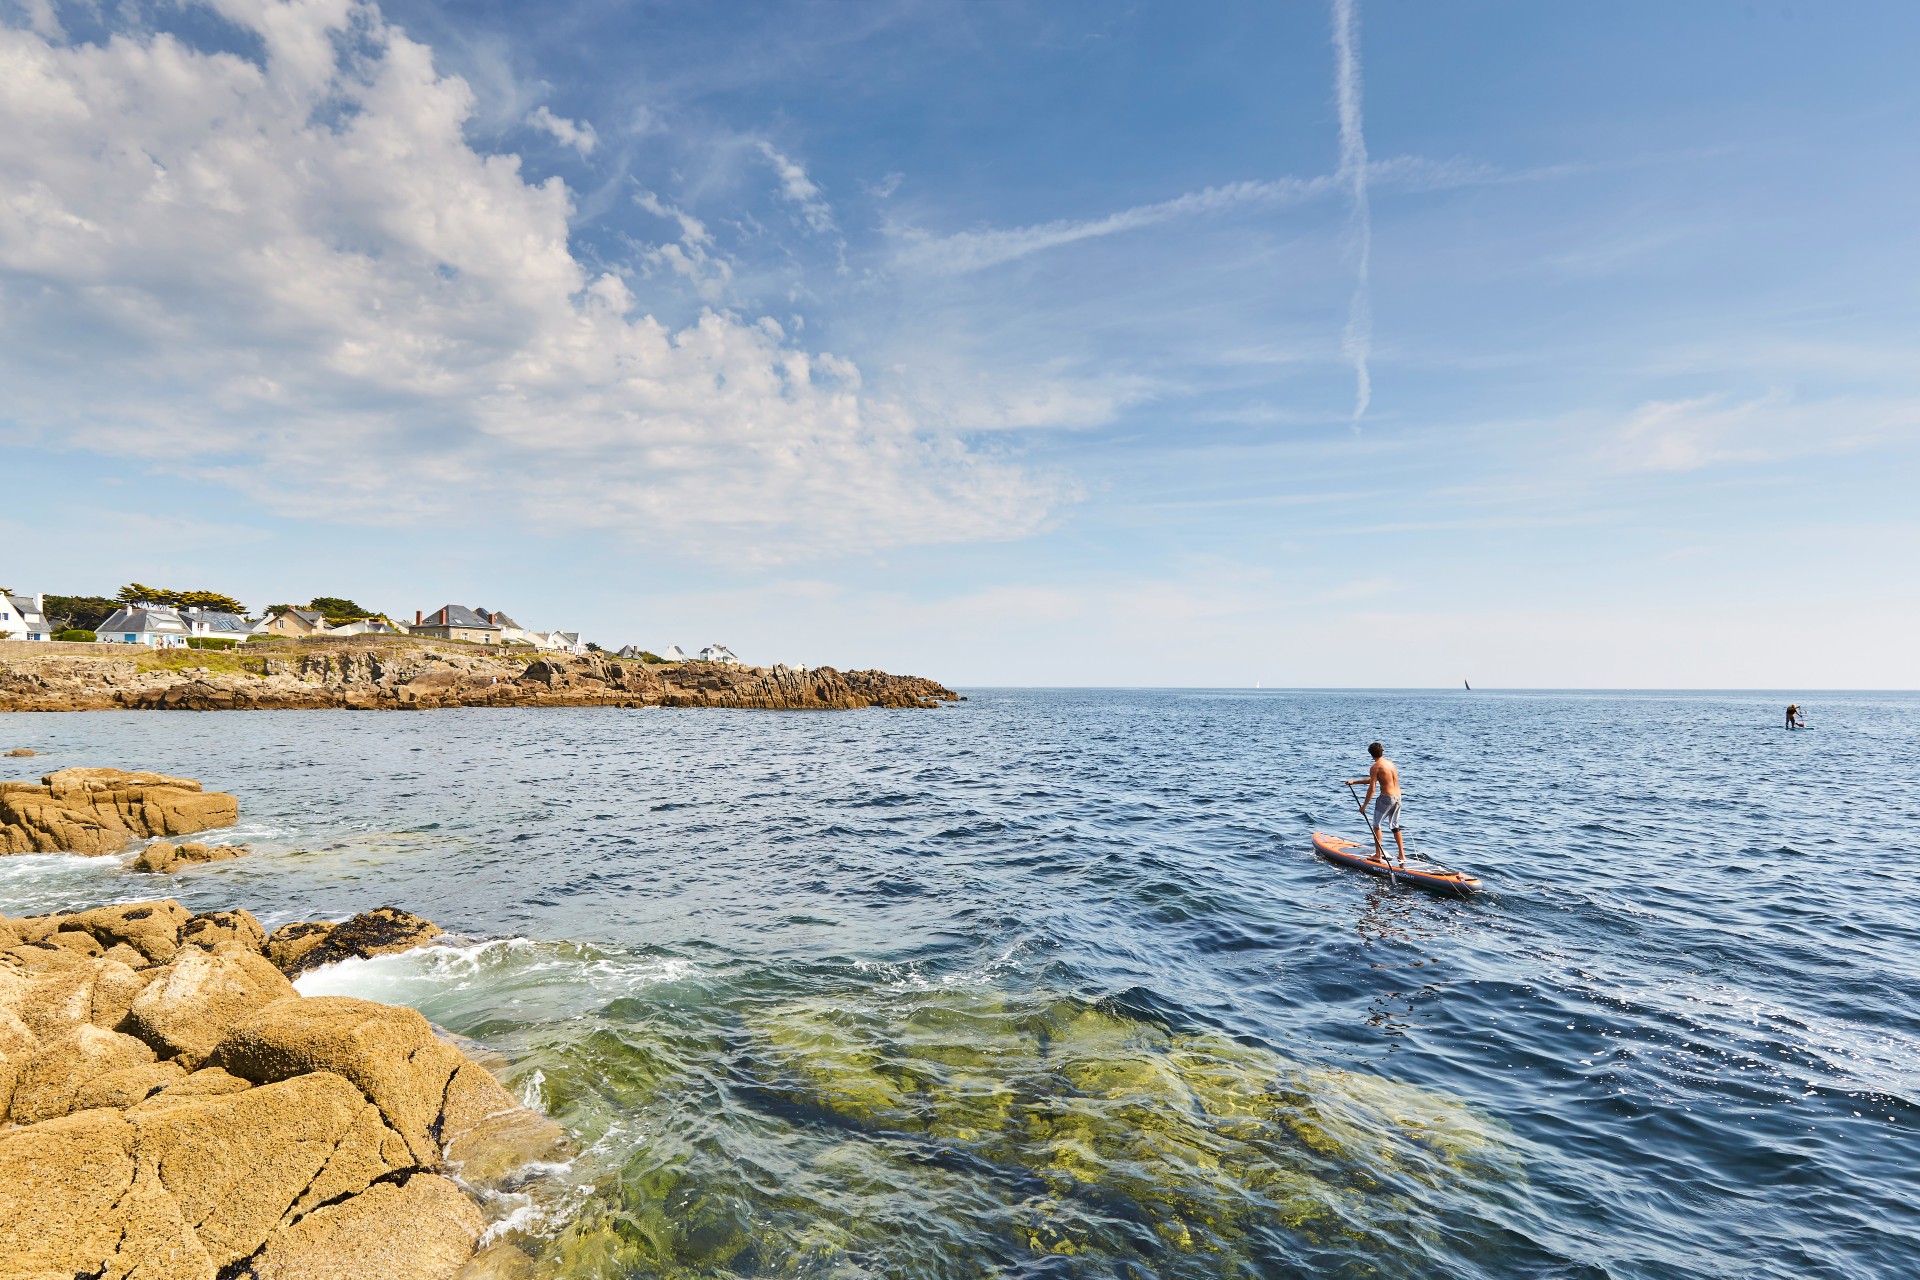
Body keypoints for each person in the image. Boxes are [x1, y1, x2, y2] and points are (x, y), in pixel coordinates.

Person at [1346, 742, 1406, 865]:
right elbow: (1377, 779)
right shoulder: (1390, 764)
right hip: (1398, 797)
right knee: (1395, 826)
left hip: (1385, 799)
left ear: (1371, 754)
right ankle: (1402, 854)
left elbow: (1372, 788)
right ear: (1382, 752)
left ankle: (1378, 855)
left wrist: (1364, 806)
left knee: (1376, 825)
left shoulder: (1375, 767)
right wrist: (1355, 782)